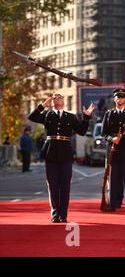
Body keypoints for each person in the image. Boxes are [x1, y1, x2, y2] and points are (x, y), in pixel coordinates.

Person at [28, 94, 94, 222]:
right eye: (54, 97)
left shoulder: (70, 116)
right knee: (52, 184)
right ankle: (54, 213)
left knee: (65, 185)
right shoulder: (47, 115)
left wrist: (86, 117)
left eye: (59, 97)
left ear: (64, 101)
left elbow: (81, 131)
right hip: (50, 151)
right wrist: (43, 105)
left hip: (65, 152)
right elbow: (32, 117)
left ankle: (63, 214)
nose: (56, 98)